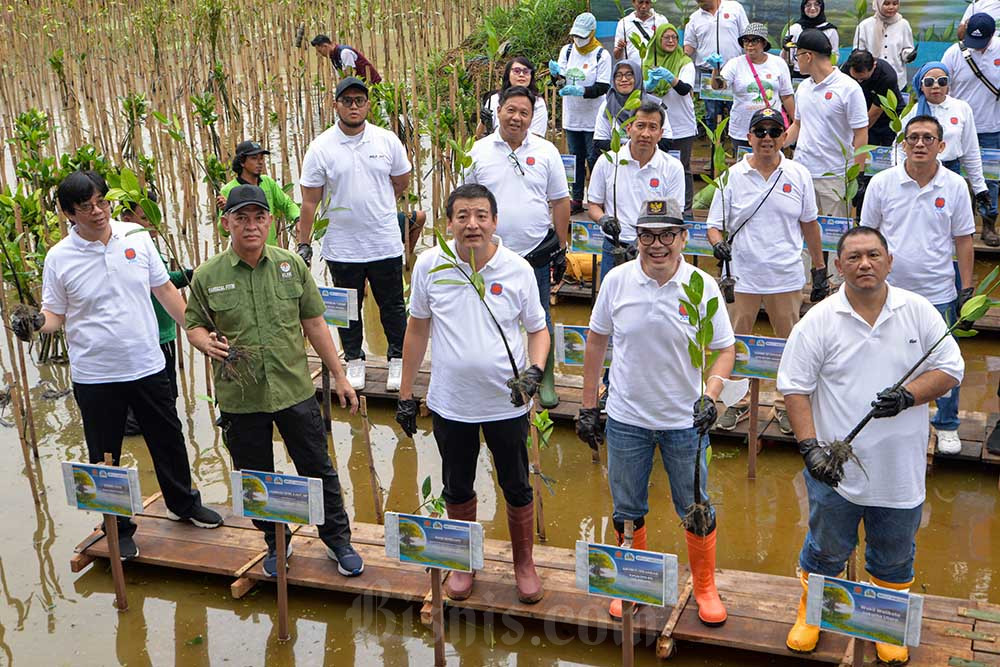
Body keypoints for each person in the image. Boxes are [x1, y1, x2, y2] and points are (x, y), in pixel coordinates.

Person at [777, 226, 964, 665]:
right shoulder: (818, 320)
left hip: (900, 470)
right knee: (825, 548)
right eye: (855, 257)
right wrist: (810, 449)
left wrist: (909, 395)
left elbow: (952, 368)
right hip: (835, 471)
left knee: (895, 555)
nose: (865, 264)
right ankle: (812, 612)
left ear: (889, 262)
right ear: (838, 266)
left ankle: (886, 622)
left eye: (874, 255)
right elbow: (795, 388)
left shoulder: (918, 312)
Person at [15, 170, 223, 561]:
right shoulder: (59, 258)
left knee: (168, 437)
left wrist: (195, 332)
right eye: (85, 207)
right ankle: (118, 525)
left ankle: (184, 504)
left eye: (102, 202)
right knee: (104, 452)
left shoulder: (136, 237)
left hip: (146, 362)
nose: (97, 212)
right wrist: (36, 323)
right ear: (67, 213)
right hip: (95, 374)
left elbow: (164, 291)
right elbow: (55, 314)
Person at [187, 184, 364, 578]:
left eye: (258, 217)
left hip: (294, 389)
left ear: (269, 221)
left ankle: (337, 539)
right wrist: (205, 344)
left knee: (318, 468)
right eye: (241, 218)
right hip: (240, 396)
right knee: (256, 476)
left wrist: (340, 376)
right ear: (226, 223)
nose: (251, 226)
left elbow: (315, 323)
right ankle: (275, 542)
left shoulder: (291, 265)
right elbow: (194, 325)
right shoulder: (207, 275)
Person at [576, 198, 736, 623]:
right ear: (637, 239)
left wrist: (712, 393)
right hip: (628, 418)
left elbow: (725, 349)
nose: (657, 244)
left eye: (667, 234)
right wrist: (589, 404)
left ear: (684, 238)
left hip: (686, 422)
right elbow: (595, 342)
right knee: (627, 506)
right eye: (647, 235)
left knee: (696, 506)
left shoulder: (701, 286)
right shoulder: (617, 281)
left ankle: (704, 586)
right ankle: (633, 580)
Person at [394, 183, 550, 605]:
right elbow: (417, 329)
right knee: (457, 485)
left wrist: (534, 372)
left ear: (495, 222)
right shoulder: (431, 265)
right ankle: (464, 563)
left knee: (516, 484)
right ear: (449, 223)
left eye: (481, 215)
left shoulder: (517, 269)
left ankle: (524, 564)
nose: (472, 224)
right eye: (462, 216)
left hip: (508, 402)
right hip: (452, 402)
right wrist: (406, 392)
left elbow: (538, 329)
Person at [707, 108, 829, 435]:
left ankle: (785, 405)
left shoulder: (798, 174)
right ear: (748, 138)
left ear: (784, 138)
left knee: (790, 345)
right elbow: (714, 226)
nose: (767, 138)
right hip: (742, 276)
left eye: (774, 132)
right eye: (759, 132)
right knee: (734, 341)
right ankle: (737, 403)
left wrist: (819, 268)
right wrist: (718, 245)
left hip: (786, 276)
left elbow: (809, 224)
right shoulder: (731, 177)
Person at [860, 115, 975, 455]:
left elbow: (964, 240)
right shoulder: (882, 183)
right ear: (903, 144)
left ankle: (947, 423)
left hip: (938, 291)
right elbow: (867, 235)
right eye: (913, 138)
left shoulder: (954, 186)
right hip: (889, 292)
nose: (920, 144)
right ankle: (887, 415)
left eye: (928, 138)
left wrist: (966, 290)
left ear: (942, 146)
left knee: (944, 361)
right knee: (886, 356)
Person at [296, 77, 411, 392]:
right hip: (341, 247)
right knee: (346, 308)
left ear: (367, 104)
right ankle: (354, 360)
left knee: (392, 305)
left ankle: (398, 361)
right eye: (347, 101)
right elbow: (309, 201)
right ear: (336, 105)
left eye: (359, 100)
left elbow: (401, 181)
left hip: (384, 242)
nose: (354, 106)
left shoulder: (386, 141)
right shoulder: (321, 148)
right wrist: (303, 244)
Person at [462, 85, 570, 409]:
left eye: (525, 112)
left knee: (541, 317)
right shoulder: (477, 151)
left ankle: (544, 376)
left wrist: (561, 248)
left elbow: (561, 201)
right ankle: (494, 376)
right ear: (498, 111)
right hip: (489, 254)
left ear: (532, 117)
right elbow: (462, 201)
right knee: (489, 315)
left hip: (535, 250)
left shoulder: (547, 151)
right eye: (511, 110)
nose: (517, 118)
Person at [898, 62, 995, 244]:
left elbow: (970, 150)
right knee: (921, 223)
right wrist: (900, 177)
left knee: (949, 223)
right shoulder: (912, 114)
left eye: (942, 81)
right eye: (929, 82)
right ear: (921, 85)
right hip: (919, 174)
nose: (936, 86)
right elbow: (899, 147)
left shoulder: (961, 108)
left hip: (951, 170)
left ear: (948, 84)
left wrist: (979, 187)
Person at [589, 101, 685, 281]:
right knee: (612, 304)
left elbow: (675, 214)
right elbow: (594, 204)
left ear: (661, 133)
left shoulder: (672, 167)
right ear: (628, 128)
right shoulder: (608, 161)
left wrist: (643, 241)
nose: (645, 134)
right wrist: (604, 219)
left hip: (654, 250)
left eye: (653, 127)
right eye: (640, 126)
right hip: (615, 246)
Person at [120, 194, 191, 437]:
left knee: (168, 394)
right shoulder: (128, 250)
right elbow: (162, 283)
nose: (152, 223)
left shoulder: (149, 247)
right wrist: (190, 274)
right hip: (152, 337)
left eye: (154, 217)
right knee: (155, 400)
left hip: (164, 333)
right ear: (126, 219)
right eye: (145, 218)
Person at [785, 30, 869, 218]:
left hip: (835, 177)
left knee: (836, 238)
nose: (796, 61)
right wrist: (775, 144)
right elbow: (797, 125)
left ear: (808, 56)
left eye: (797, 55)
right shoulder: (804, 87)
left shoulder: (848, 88)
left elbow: (861, 134)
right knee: (802, 236)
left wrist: (858, 176)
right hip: (802, 173)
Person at [942, 13, 1000, 232]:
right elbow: (942, 86)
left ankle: (988, 224)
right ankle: (957, 224)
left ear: (992, 35)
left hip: (991, 127)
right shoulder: (953, 53)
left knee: (990, 178)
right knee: (953, 175)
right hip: (958, 127)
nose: (977, 48)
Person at [552, 12, 612, 213]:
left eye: (583, 35)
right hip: (572, 117)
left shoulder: (601, 55)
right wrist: (556, 77)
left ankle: (597, 200)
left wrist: (582, 91)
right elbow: (560, 80)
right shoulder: (567, 52)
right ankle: (576, 199)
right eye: (576, 35)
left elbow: (603, 87)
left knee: (593, 158)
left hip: (594, 118)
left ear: (592, 33)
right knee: (575, 159)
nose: (579, 40)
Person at [713, 23, 794, 152]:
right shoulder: (735, 64)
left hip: (772, 129)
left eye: (754, 40)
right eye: (746, 41)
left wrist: (795, 122)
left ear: (763, 43)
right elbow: (719, 86)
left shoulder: (778, 63)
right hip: (742, 129)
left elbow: (787, 95)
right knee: (745, 168)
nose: (750, 45)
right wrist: (715, 70)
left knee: (773, 166)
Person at [644, 23, 698, 215]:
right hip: (657, 125)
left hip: (681, 123)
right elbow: (643, 91)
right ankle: (660, 207)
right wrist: (648, 85)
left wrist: (670, 78)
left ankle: (686, 209)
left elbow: (684, 89)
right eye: (665, 37)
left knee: (682, 167)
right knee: (657, 166)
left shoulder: (685, 62)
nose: (670, 41)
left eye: (674, 37)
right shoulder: (648, 61)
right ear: (657, 40)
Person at [682, 0, 749, 134]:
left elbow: (746, 37)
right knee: (711, 113)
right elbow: (689, 46)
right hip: (707, 72)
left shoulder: (734, 8)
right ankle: (715, 143)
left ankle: (735, 140)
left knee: (736, 109)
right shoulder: (694, 18)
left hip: (733, 70)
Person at [216, 140, 300, 246]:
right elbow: (223, 231)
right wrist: (227, 211)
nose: (260, 162)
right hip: (245, 252)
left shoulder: (268, 182)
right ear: (242, 162)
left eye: (261, 158)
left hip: (270, 251)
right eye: (254, 158)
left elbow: (287, 204)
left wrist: (298, 219)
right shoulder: (228, 190)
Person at [593, 60, 668, 155]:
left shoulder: (655, 105)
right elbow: (600, 142)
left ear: (638, 77)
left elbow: (666, 141)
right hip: (617, 162)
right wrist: (629, 150)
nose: (624, 79)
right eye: (618, 75)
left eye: (629, 74)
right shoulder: (608, 105)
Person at [842, 49, 903, 148]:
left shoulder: (886, 76)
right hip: (860, 113)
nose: (859, 81)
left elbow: (874, 114)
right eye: (855, 78)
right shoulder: (845, 70)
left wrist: (857, 136)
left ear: (874, 66)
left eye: (862, 79)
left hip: (884, 117)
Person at [853, 0, 916, 89]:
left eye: (895, 4)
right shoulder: (864, 26)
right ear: (878, 4)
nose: (891, 7)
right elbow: (858, 53)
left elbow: (907, 48)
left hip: (898, 80)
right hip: (871, 80)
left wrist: (909, 55)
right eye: (886, 4)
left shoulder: (903, 24)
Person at [479, 57, 549, 138]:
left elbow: (537, 137)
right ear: (508, 74)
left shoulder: (538, 103)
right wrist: (484, 122)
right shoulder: (494, 99)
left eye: (526, 72)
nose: (521, 75)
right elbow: (479, 135)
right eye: (517, 71)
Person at [784, 0, 840, 79]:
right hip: (799, 75)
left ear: (822, 7)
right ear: (803, 7)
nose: (812, 8)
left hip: (822, 75)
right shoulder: (794, 29)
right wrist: (785, 49)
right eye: (808, 5)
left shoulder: (830, 30)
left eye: (816, 4)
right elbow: (787, 58)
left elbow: (834, 54)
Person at [310, 34, 382, 83]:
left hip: (371, 84)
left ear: (325, 46)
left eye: (320, 51)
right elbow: (341, 78)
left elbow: (350, 75)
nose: (320, 54)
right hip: (359, 86)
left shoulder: (344, 53)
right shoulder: (333, 57)